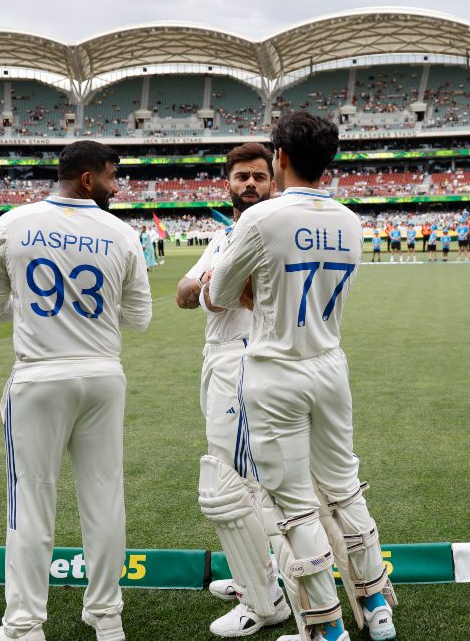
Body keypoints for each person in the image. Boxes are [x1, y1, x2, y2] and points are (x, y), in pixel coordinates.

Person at [207, 112, 396, 641]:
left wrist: (259, 293)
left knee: (294, 508)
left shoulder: (261, 220)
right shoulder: (351, 220)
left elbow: (217, 294)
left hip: (276, 369)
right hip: (330, 364)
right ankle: (377, 607)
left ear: (281, 158)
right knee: (344, 490)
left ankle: (326, 629)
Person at [0, 140, 153, 641]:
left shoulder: (12, 224)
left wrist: (40, 309)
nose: (117, 187)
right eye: (112, 177)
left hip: (39, 375)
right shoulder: (121, 232)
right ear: (88, 178)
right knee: (104, 497)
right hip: (102, 374)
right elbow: (139, 318)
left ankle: (26, 625)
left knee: (29, 500)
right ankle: (106, 617)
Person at [175, 143, 291, 638]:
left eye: (258, 177)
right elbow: (185, 295)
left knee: (244, 485)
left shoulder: (273, 231)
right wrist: (207, 281)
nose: (249, 184)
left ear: (273, 181)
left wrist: (210, 286)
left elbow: (232, 299)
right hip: (218, 360)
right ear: (227, 184)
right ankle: (254, 577)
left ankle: (266, 597)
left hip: (249, 362)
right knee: (234, 477)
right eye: (241, 176)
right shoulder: (226, 234)